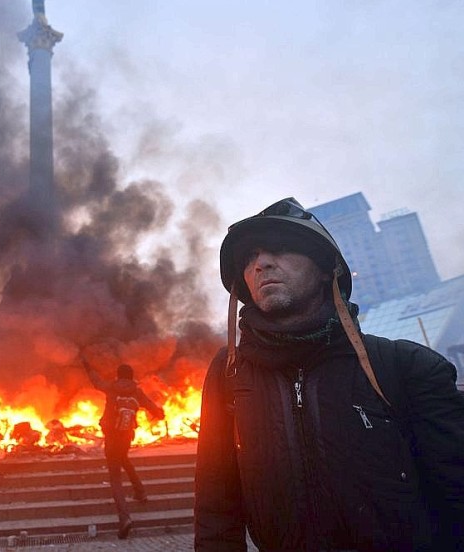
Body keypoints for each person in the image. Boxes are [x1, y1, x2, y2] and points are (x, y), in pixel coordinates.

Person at [194, 197, 464, 552]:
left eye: (280, 248)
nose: (260, 264)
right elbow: (216, 504)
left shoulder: (405, 367)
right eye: (249, 258)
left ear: (326, 269)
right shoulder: (228, 374)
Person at [80, 354, 165, 540]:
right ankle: (140, 492)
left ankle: (124, 518)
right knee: (123, 458)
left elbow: (96, 381)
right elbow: (155, 410)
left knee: (115, 477)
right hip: (126, 436)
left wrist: (87, 364)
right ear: (131, 377)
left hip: (112, 437)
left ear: (118, 376)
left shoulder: (111, 388)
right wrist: (159, 413)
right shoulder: (137, 392)